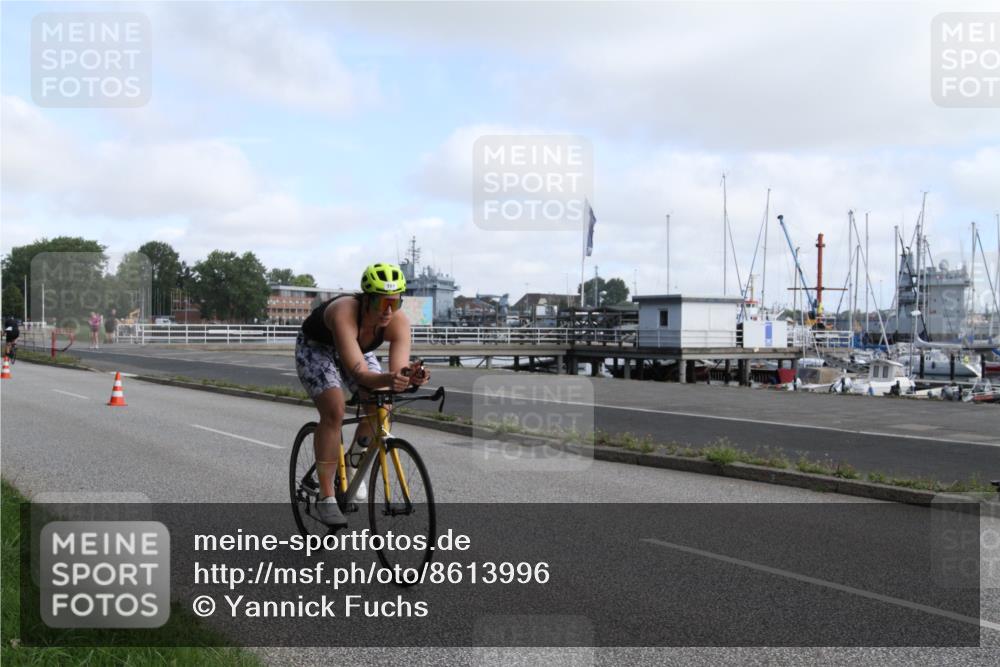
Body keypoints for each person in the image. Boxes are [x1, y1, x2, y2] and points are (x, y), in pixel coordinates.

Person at [295, 262, 429, 527]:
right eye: (381, 303)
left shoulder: (398, 321)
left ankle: (352, 466)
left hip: (357, 347)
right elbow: (361, 375)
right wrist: (389, 379)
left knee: (381, 403)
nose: (389, 311)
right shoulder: (344, 312)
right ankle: (326, 498)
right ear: (366, 299)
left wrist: (410, 374)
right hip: (317, 348)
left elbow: (396, 370)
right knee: (334, 409)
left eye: (396, 302)